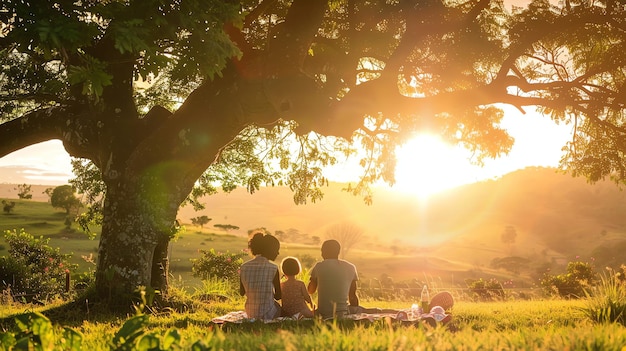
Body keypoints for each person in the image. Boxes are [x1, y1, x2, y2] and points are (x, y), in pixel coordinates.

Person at [307, 239, 359, 319]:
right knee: (366, 310)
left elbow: (310, 291)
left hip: (322, 314)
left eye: (322, 251)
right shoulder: (351, 267)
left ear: (323, 252)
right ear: (338, 252)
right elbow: (352, 296)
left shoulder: (319, 266)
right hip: (342, 313)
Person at [239, 232, 282, 320]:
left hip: (250, 312)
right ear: (269, 250)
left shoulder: (243, 267)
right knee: (279, 308)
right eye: (276, 249)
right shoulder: (273, 268)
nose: (278, 253)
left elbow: (242, 292)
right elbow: (278, 296)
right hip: (269, 314)